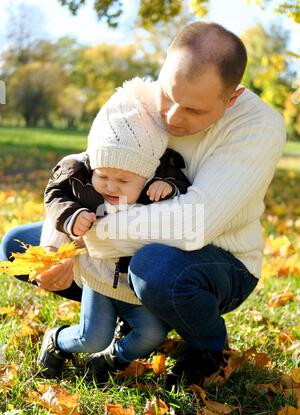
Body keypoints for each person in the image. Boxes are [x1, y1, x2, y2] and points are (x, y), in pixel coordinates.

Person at [0, 22, 286, 388]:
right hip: (124, 244)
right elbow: (87, 163)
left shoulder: (257, 126)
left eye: (193, 110)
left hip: (215, 260)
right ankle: (130, 309)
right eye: (168, 96)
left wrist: (83, 238)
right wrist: (57, 246)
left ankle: (208, 348)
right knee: (18, 248)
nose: (172, 117)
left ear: (231, 99)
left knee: (158, 268)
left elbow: (195, 223)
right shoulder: (140, 98)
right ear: (164, 69)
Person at [36, 77, 191, 381]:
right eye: (103, 175)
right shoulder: (83, 184)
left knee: (152, 334)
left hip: (137, 288)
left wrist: (169, 188)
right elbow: (56, 198)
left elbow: (185, 199)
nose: (110, 186)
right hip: (98, 276)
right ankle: (57, 341)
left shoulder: (157, 184)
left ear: (147, 176)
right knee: (92, 335)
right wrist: (71, 218)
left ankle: (109, 358)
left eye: (123, 182)